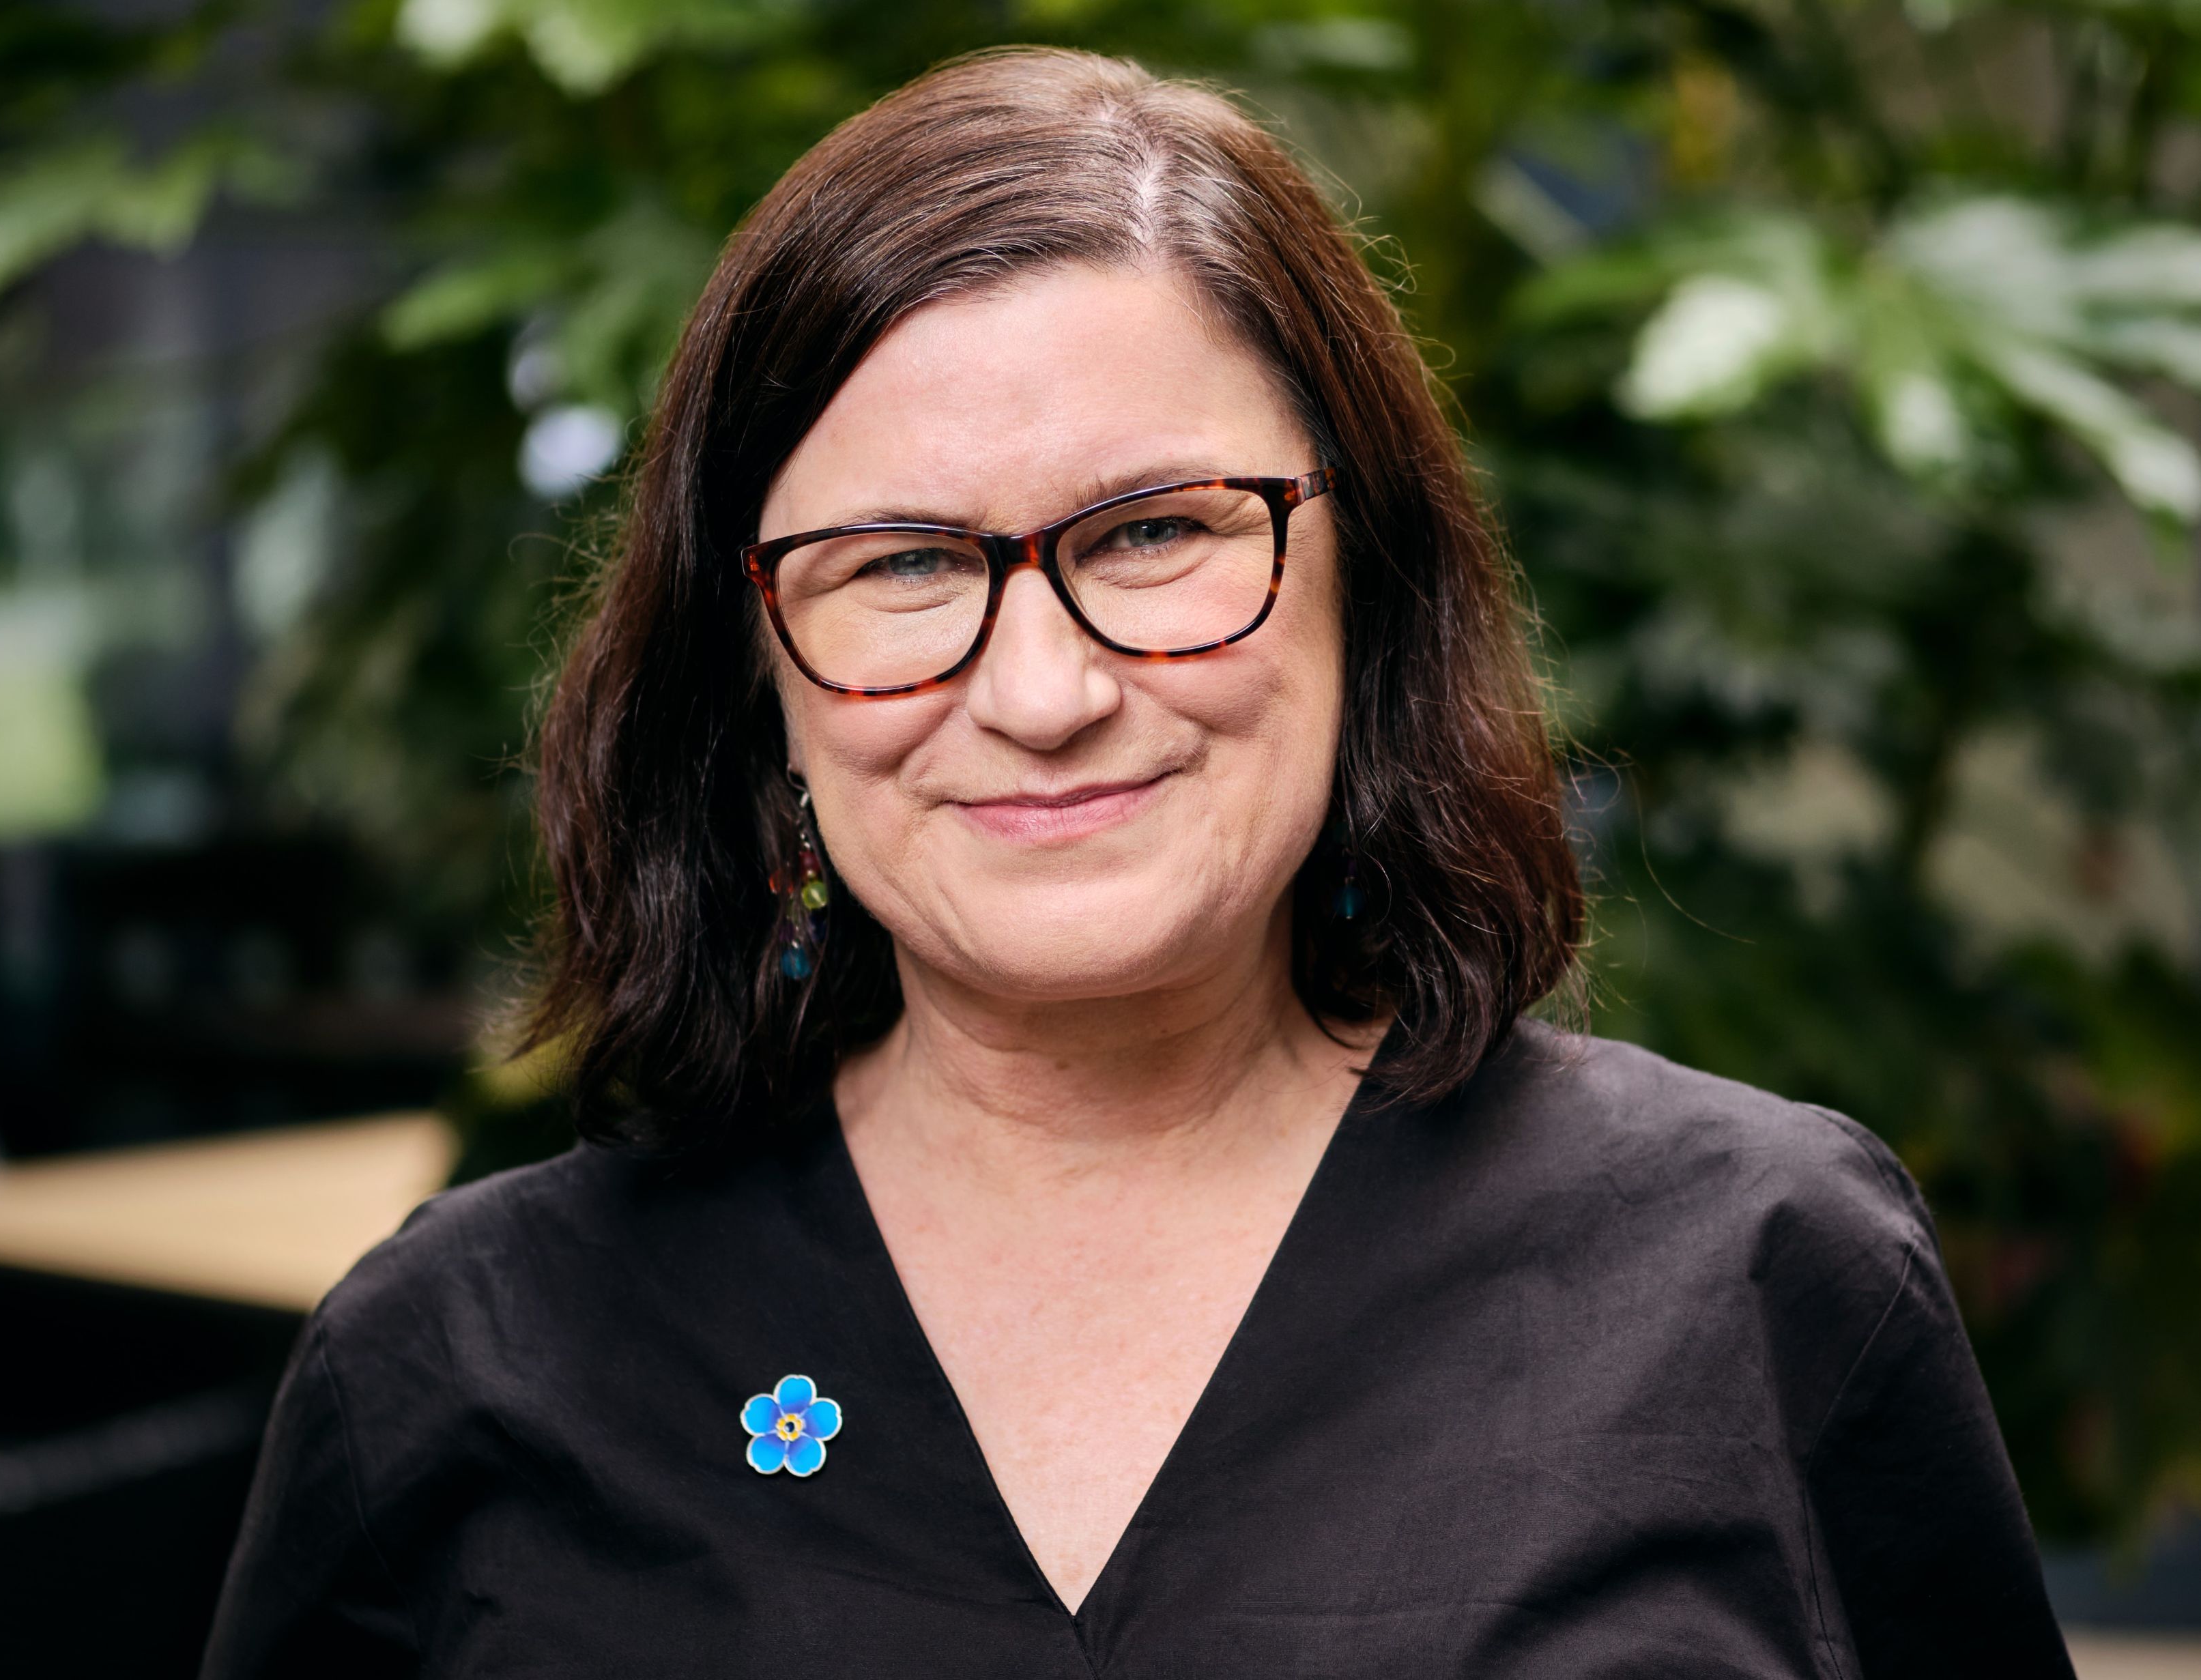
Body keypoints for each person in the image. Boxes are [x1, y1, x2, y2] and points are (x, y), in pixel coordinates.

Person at [203, 47, 2074, 1679]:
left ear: (1372, 582)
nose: (1043, 690)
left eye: (1159, 531)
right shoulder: (465, 1363)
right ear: (751, 667)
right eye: (903, 565)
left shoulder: (1757, 1277)